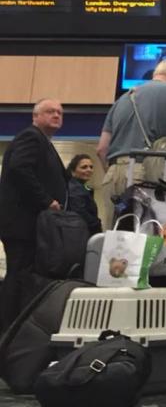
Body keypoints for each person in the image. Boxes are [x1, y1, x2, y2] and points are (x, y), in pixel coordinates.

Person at [0, 99, 69, 328]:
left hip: (28, 224)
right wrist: (46, 200)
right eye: (50, 111)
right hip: (22, 224)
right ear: (35, 116)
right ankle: (10, 326)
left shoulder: (43, 141)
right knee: (19, 274)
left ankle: (15, 324)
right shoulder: (31, 137)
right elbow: (20, 168)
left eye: (59, 112)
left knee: (23, 274)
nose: (57, 115)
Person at [97, 58, 166, 204]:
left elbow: (101, 149)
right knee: (151, 225)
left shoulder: (122, 99)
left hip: (112, 176)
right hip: (148, 175)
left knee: (115, 225)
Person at [66, 154, 102, 236]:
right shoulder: (75, 190)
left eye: (91, 167)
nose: (89, 170)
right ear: (73, 171)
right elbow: (81, 214)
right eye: (84, 167)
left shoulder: (82, 187)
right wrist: (97, 224)